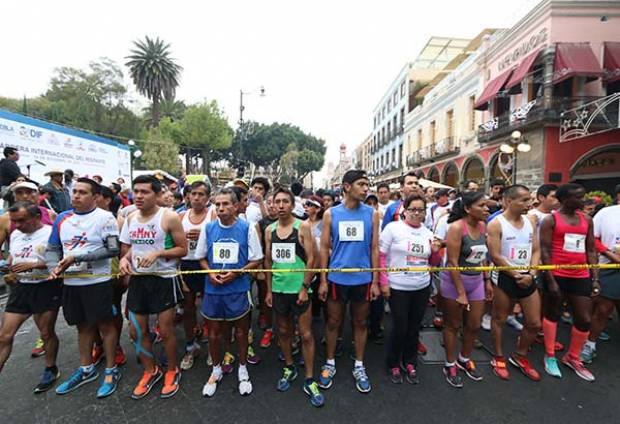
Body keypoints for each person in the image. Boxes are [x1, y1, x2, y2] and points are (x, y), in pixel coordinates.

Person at [46, 178, 122, 398]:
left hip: (98, 282)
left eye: (82, 192)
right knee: (82, 327)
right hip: (71, 283)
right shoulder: (62, 218)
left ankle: (111, 369)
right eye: (74, 192)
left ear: (95, 197)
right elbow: (52, 248)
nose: (76, 196)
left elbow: (112, 250)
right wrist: (54, 268)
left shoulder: (105, 218)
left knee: (105, 326)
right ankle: (86, 368)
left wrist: (76, 257)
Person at [118, 175, 188, 399]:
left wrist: (158, 253)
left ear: (157, 195)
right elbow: (130, 248)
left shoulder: (169, 217)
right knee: (136, 330)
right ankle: (150, 370)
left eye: (144, 192)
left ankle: (171, 369)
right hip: (139, 279)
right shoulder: (130, 218)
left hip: (164, 279)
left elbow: (182, 250)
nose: (138, 196)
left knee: (166, 330)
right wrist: (124, 260)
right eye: (136, 191)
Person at [317, 169, 380, 393]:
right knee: (333, 322)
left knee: (361, 323)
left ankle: (360, 365)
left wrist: (375, 281)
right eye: (361, 184)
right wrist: (323, 279)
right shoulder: (330, 214)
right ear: (346, 186)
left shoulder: (372, 214)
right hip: (337, 278)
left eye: (367, 184)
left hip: (362, 279)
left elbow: (374, 247)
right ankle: (330, 362)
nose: (366, 189)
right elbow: (324, 247)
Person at [196, 187, 263, 397]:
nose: (221, 208)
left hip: (238, 289)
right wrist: (210, 273)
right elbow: (201, 257)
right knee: (214, 333)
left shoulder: (247, 228)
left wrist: (238, 273)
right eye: (217, 204)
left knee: (242, 332)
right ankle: (216, 370)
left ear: (235, 206)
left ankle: (242, 369)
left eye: (225, 204)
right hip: (214, 289)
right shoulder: (208, 229)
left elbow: (257, 259)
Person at [264, 187, 324, 407]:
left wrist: (304, 286)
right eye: (276, 202)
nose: (280, 205)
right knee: (284, 331)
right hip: (279, 290)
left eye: (284, 202)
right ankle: (289, 367)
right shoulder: (269, 229)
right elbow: (268, 263)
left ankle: (309, 378)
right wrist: (269, 290)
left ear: (292, 205)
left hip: (300, 290)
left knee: (306, 334)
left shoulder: (303, 226)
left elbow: (312, 259)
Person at [379, 194, 441, 384]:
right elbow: (381, 257)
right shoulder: (392, 228)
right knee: (400, 327)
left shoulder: (428, 233)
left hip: (421, 287)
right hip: (397, 286)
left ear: (424, 213)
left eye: (420, 210)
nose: (416, 213)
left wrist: (437, 251)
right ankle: (393, 363)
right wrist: (383, 282)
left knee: (414, 327)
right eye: (412, 209)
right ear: (404, 210)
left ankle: (410, 361)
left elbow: (433, 263)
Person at [0, 202, 61, 393]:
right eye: (14, 221)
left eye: (21, 221)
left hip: (45, 287)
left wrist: (34, 265)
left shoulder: (52, 232)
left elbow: (61, 261)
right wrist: (8, 266)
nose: (17, 225)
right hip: (21, 288)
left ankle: (51, 368)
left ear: (35, 218)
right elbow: (13, 257)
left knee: (45, 333)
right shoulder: (16, 234)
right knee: (5, 336)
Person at [539, 183, 597, 381]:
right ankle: (550, 355)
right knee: (552, 313)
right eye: (578, 197)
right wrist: (551, 279)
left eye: (583, 196)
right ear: (564, 200)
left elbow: (591, 250)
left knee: (584, 319)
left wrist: (594, 277)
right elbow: (545, 250)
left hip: (580, 274)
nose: (582, 201)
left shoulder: (587, 220)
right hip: (557, 273)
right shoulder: (550, 220)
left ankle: (573, 357)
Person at [487, 185, 542, 381]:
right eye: (525, 200)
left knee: (534, 323)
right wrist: (516, 274)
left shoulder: (531, 221)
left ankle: (520, 355)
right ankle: (498, 356)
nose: (530, 203)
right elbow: (495, 255)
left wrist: (532, 273)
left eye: (530, 199)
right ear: (509, 201)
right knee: (500, 318)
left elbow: (535, 249)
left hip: (527, 275)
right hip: (505, 277)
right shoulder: (496, 224)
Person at [440, 191, 491, 388]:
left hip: (476, 280)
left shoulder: (483, 226)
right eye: (482, 205)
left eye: (487, 205)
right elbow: (452, 262)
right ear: (468, 209)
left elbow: (483, 255)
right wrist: (461, 292)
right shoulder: (456, 228)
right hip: (454, 282)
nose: (487, 209)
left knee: (474, 324)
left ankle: (464, 358)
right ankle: (449, 363)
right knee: (452, 325)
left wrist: (486, 280)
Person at [581, 188, 620, 363]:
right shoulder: (606, 213)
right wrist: (611, 255)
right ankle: (590, 345)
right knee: (603, 309)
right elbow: (593, 239)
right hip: (610, 266)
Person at [91, 185, 127, 367]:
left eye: (97, 196)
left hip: (111, 276)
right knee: (89, 316)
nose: (93, 199)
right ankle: (98, 344)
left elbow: (119, 250)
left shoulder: (116, 221)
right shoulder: (74, 219)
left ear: (107, 200)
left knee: (112, 312)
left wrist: (123, 272)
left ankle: (115, 345)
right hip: (84, 276)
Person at [179, 181, 211, 370]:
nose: (196, 197)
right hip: (187, 265)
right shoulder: (181, 216)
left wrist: (202, 236)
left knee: (209, 308)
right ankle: (191, 346)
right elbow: (172, 241)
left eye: (201, 194)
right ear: (188, 196)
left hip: (206, 264)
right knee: (188, 308)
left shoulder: (213, 215)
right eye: (193, 194)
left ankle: (212, 347)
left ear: (207, 198)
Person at [256, 193, 278, 345]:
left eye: (274, 202)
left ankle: (291, 331)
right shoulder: (261, 224)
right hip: (267, 267)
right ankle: (269, 329)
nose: (271, 206)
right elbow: (259, 249)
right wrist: (260, 269)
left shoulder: (295, 222)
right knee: (267, 300)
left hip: (286, 269)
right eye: (268, 202)